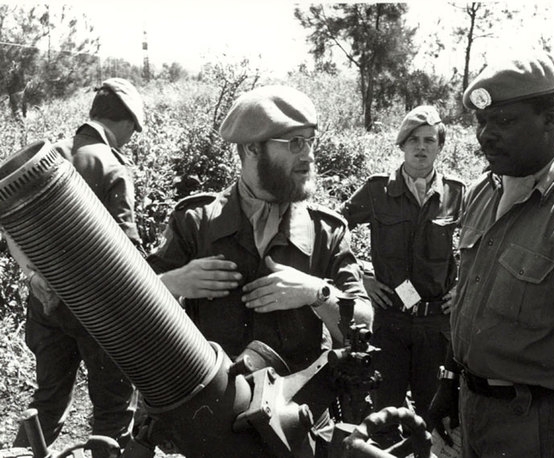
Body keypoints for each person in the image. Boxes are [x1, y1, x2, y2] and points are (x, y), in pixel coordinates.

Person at [427, 50, 554, 457]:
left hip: (537, 427)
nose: (486, 135)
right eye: (481, 122)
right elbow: (470, 300)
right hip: (473, 414)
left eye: (503, 121)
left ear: (551, 118)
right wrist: (449, 383)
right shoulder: (482, 193)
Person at [146, 85, 372, 375]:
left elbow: (365, 324)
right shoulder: (196, 222)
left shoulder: (326, 232)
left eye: (310, 142)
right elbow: (131, 306)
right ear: (252, 148)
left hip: (299, 413)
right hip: (211, 408)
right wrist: (172, 284)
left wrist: (318, 293)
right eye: (295, 143)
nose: (309, 155)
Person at [9, 78, 145, 455]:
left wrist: (33, 275)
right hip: (97, 314)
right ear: (127, 122)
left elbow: (9, 222)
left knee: (47, 402)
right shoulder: (112, 166)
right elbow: (127, 251)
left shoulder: (47, 155)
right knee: (113, 411)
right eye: (133, 129)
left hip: (45, 304)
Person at [339, 105, 464, 445]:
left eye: (429, 140)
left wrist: (466, 286)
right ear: (402, 145)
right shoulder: (378, 191)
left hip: (435, 324)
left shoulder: (456, 193)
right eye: (413, 141)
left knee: (433, 417)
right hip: (391, 321)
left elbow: (483, 242)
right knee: (384, 415)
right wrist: (360, 275)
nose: (421, 148)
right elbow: (335, 230)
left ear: (439, 146)